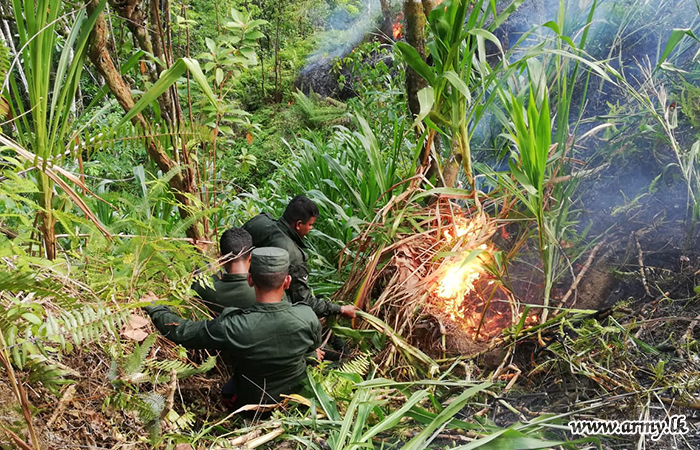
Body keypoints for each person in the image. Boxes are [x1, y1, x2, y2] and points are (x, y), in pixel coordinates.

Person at [145, 247, 322, 409]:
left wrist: (156, 307)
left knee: (228, 390)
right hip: (297, 402)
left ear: (250, 280)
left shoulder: (233, 325)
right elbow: (312, 348)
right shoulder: (307, 316)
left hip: (250, 405)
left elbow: (182, 332)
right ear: (287, 281)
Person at [243, 195, 356, 319]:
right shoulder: (294, 256)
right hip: (265, 308)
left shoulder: (259, 221)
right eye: (310, 225)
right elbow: (304, 302)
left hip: (244, 287)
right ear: (299, 225)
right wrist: (341, 309)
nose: (311, 229)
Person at [192, 227, 255, 315]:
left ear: (221, 260)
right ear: (250, 258)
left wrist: (202, 255)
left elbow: (199, 280)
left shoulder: (207, 291)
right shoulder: (262, 291)